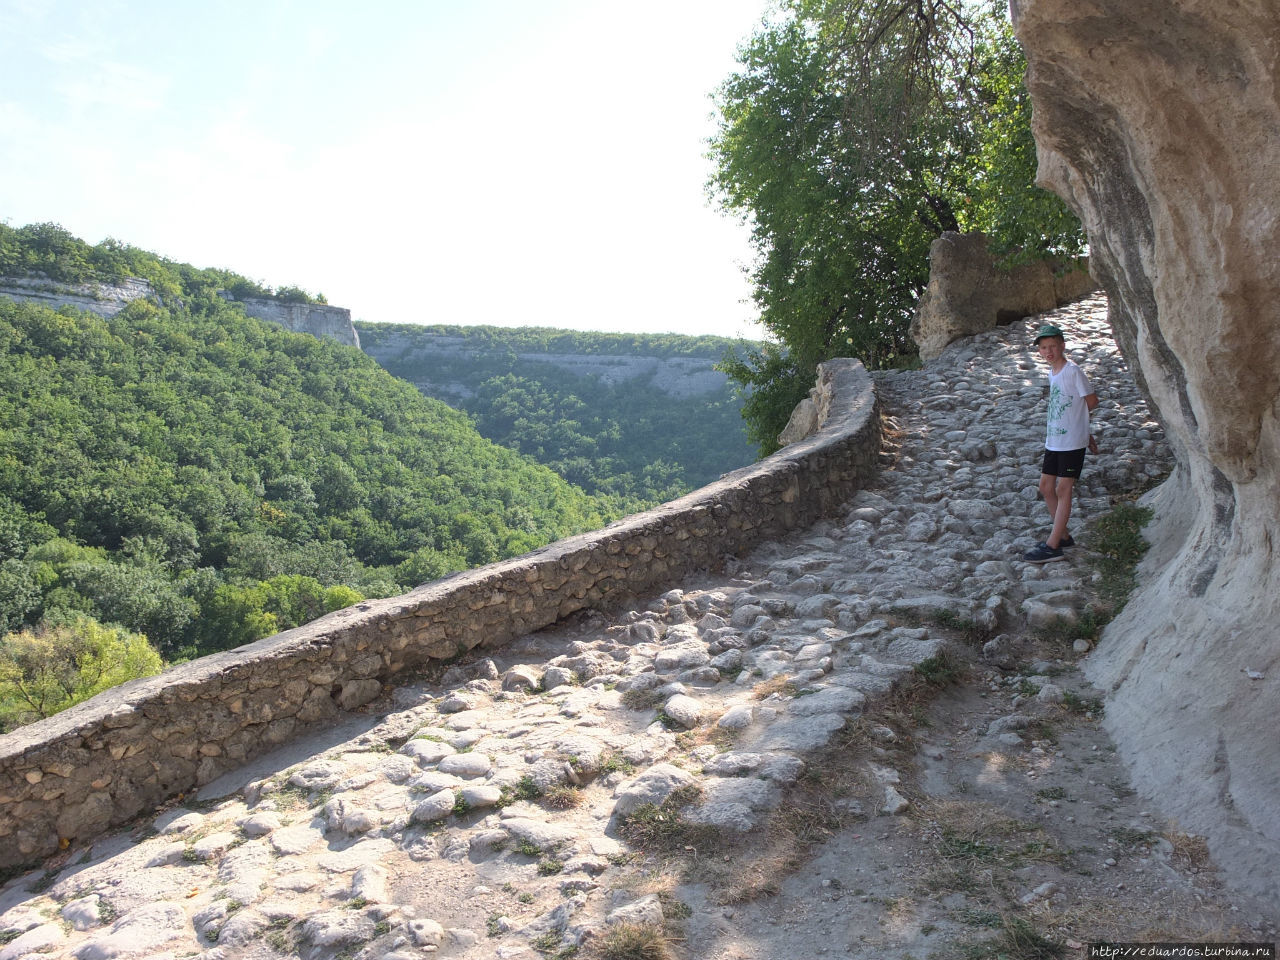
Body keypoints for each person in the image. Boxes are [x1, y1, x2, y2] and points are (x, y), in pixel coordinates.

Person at [1024, 323, 1099, 564]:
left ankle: (1053, 545)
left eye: (1053, 346)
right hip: (1055, 440)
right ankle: (1063, 536)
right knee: (1046, 487)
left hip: (1071, 442)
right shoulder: (1052, 373)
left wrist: (1083, 431)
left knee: (1063, 489)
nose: (1048, 351)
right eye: (1044, 348)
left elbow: (1092, 400)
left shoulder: (1072, 371)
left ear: (1062, 346)